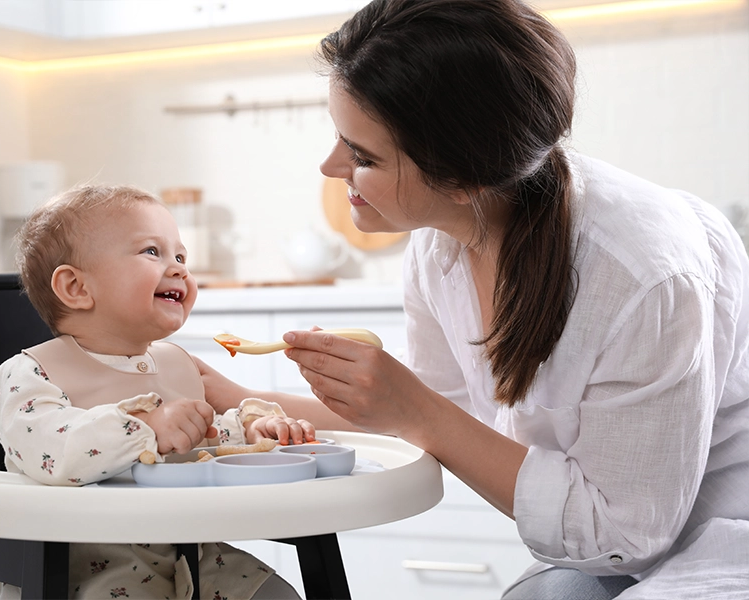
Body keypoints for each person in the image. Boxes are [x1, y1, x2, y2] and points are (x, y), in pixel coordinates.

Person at [196, 0, 749, 598]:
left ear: (462, 178)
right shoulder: (441, 247)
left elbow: (620, 533)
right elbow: (433, 413)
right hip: (608, 554)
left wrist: (415, 408)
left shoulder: (644, 278)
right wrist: (241, 398)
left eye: (362, 155)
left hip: (710, 543)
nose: (330, 167)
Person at [0, 183, 311, 600]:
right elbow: (57, 451)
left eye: (180, 256)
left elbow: (200, 438)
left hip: (194, 555)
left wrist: (253, 431)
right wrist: (145, 429)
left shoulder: (176, 363)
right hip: (84, 570)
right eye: (152, 252)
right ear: (76, 287)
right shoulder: (28, 375)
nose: (179, 268)